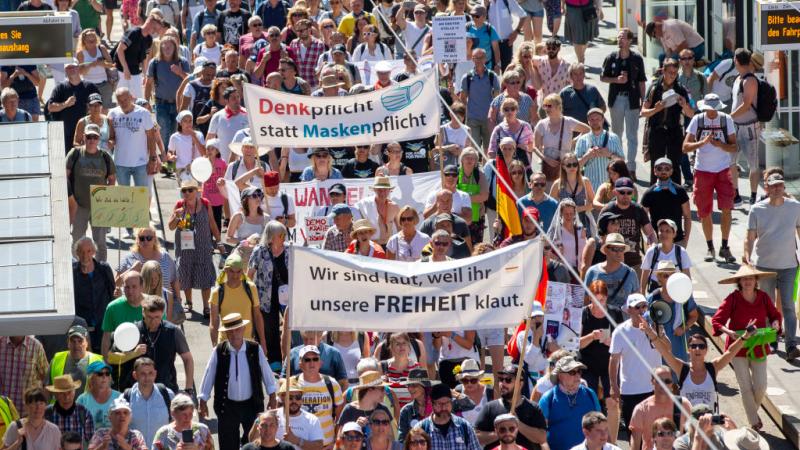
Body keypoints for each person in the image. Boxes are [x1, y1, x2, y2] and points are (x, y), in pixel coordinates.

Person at [711, 265, 782, 429]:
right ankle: (754, 421)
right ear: (739, 282)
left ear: (756, 280)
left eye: (750, 278)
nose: (747, 281)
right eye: (744, 279)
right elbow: (717, 321)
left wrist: (776, 323)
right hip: (738, 346)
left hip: (758, 345)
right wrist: (729, 332)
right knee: (745, 386)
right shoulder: (733, 298)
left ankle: (751, 412)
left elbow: (774, 315)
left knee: (761, 386)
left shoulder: (763, 297)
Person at [198, 312, 277, 448]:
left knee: (254, 444)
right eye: (230, 331)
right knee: (228, 444)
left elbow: (267, 373)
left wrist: (272, 395)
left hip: (252, 405)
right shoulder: (219, 350)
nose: (234, 334)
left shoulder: (255, 349)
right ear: (226, 333)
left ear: (243, 329)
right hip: (227, 406)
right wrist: (203, 400)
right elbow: (208, 374)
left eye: (237, 330)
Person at [744, 172, 800, 358]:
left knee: (788, 306)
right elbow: (750, 237)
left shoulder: (795, 207)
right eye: (773, 185)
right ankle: (771, 340)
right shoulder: (757, 209)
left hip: (789, 265)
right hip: (764, 266)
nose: (777, 188)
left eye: (780, 185)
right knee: (767, 307)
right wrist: (746, 256)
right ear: (766, 188)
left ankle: (791, 345)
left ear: (784, 187)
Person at [682, 92, 738, 263]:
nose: (712, 112)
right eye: (709, 109)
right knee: (704, 211)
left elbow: (734, 146)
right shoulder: (697, 120)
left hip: (722, 169)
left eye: (714, 109)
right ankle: (710, 247)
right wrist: (702, 143)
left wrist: (720, 145)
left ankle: (725, 246)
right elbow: (685, 147)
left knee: (727, 208)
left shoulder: (726, 119)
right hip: (702, 170)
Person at [608, 294, 662, 434]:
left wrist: (653, 333)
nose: (642, 310)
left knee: (654, 433)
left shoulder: (656, 327)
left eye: (644, 306)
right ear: (629, 310)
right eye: (638, 307)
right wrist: (614, 386)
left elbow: (667, 349)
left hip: (654, 389)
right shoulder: (620, 332)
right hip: (630, 391)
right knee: (635, 432)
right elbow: (614, 361)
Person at [169, 179, 222, 318]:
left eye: (190, 190)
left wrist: (219, 242)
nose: (186, 193)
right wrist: (176, 217)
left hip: (203, 245)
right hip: (185, 248)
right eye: (184, 191)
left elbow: (212, 223)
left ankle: (206, 306)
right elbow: (171, 226)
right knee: (185, 274)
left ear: (197, 191)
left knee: (205, 275)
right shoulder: (179, 205)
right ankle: (189, 302)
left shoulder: (205, 203)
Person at [578, 280, 622, 441]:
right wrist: (591, 336)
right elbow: (576, 344)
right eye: (595, 300)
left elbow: (624, 341)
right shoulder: (583, 313)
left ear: (606, 298)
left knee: (612, 403)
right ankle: (590, 440)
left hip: (609, 364)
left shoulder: (615, 313)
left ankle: (612, 441)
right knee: (588, 403)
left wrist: (612, 342)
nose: (598, 304)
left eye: (602, 300)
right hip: (587, 364)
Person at [640, 58, 696, 184]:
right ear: (663, 71)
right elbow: (643, 112)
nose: (672, 75)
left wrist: (684, 105)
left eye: (675, 72)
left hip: (674, 131)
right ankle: (654, 196)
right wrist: (656, 109)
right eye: (670, 72)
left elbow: (691, 114)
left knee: (675, 165)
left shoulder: (682, 89)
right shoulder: (654, 88)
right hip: (657, 131)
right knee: (656, 165)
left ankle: (676, 197)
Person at [600, 28, 646, 175]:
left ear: (630, 40)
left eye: (623, 38)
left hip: (632, 99)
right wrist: (616, 80)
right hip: (617, 98)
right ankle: (618, 165)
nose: (620, 40)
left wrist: (643, 101)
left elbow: (641, 81)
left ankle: (631, 167)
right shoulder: (611, 57)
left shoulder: (637, 59)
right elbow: (603, 77)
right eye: (619, 37)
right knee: (616, 133)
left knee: (632, 134)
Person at [67, 124, 116, 262]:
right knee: (77, 239)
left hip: (99, 207)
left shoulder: (105, 156)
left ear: (99, 139)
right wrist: (71, 200)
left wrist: (107, 200)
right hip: (79, 205)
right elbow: (64, 177)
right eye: (89, 136)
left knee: (100, 241)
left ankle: (102, 267)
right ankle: (76, 266)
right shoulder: (75, 153)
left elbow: (112, 179)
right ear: (84, 137)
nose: (92, 140)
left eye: (95, 137)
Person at [474, 364, 547, 450]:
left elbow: (542, 438)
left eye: (508, 380)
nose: (503, 383)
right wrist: (502, 432)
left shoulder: (533, 408)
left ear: (520, 384)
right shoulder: (490, 407)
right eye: (501, 379)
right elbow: (476, 437)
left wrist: (518, 425)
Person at [248, 220, 290, 365]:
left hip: (286, 297)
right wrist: (251, 295)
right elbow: (250, 274)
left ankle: (288, 358)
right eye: (281, 234)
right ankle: (275, 359)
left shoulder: (289, 250)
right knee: (270, 328)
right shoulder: (260, 251)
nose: (284, 237)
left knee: (289, 326)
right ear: (272, 236)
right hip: (266, 296)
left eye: (284, 234)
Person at [538, 356, 601, 450]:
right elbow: (540, 433)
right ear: (560, 376)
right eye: (572, 372)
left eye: (579, 371)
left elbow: (601, 425)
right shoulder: (548, 398)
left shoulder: (590, 394)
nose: (577, 375)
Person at [289, 344, 345, 449]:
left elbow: (340, 419)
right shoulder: (291, 384)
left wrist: (335, 443)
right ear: (300, 364)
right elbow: (280, 412)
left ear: (320, 363)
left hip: (326, 446)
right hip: (297, 445)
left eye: (315, 359)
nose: (312, 363)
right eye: (307, 360)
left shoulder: (332, 384)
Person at [134, 297, 193, 393]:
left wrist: (189, 389)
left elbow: (188, 359)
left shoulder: (173, 331)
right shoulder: (134, 330)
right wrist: (133, 353)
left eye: (157, 317)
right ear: (143, 313)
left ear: (163, 314)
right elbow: (116, 356)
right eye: (149, 317)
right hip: (139, 391)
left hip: (167, 389)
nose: (153, 321)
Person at [209, 253, 266, 351]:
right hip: (225, 344)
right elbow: (213, 323)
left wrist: (263, 343)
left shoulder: (251, 288)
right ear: (226, 270)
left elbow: (257, 316)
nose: (235, 275)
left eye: (238, 272)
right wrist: (215, 347)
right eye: (231, 271)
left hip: (248, 344)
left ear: (243, 271)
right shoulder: (217, 292)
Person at [108, 87, 158, 197]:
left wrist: (153, 158)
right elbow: (112, 137)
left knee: (141, 196)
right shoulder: (112, 114)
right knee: (124, 197)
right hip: (120, 163)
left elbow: (151, 137)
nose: (123, 103)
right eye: (120, 100)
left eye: (125, 99)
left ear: (131, 97)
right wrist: (110, 142)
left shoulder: (144, 113)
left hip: (140, 162)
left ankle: (143, 214)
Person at [600, 177, 656, 273]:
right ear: (615, 192)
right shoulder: (607, 210)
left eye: (629, 192)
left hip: (634, 263)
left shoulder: (638, 209)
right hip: (612, 263)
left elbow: (650, 233)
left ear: (633, 193)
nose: (625, 195)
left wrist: (653, 246)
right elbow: (601, 236)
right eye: (622, 192)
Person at [628, 366, 691, 450]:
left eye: (667, 381)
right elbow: (635, 443)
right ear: (652, 381)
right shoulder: (641, 409)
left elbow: (693, 434)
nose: (663, 384)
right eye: (659, 381)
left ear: (672, 383)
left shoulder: (683, 404)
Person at [72, 239, 116, 351]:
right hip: (82, 326)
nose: (85, 255)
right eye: (81, 251)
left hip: (103, 325)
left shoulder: (104, 269)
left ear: (94, 252)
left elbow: (112, 294)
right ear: (76, 253)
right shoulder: (72, 272)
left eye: (88, 251)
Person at [533, 94, 589, 181]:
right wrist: (546, 159)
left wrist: (574, 141)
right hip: (549, 167)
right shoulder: (541, 124)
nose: (546, 109)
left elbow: (587, 130)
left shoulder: (568, 122)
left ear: (558, 106)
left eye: (549, 106)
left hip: (567, 165)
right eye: (545, 106)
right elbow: (535, 147)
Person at [47, 62, 100, 153]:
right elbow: (50, 107)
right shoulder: (60, 88)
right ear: (65, 71)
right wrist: (65, 104)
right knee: (70, 162)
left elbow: (100, 107)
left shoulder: (91, 87)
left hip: (88, 132)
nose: (71, 69)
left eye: (73, 67)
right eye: (68, 68)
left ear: (78, 68)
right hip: (67, 133)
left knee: (89, 160)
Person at [640, 157, 692, 248]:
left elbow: (687, 216)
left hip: (678, 240)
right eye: (660, 168)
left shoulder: (680, 191)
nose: (663, 171)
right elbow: (642, 219)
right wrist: (651, 237)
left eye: (667, 169)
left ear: (671, 171)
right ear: (654, 171)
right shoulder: (649, 193)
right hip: (657, 242)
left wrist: (686, 239)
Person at [124, 358, 173, 448]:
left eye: (150, 373)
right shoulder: (126, 398)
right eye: (143, 374)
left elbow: (176, 424)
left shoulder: (167, 395)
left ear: (155, 374)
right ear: (135, 375)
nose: (147, 378)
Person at [416, 383, 480, 450]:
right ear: (432, 404)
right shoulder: (421, 429)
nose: (444, 408)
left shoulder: (465, 427)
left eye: (447, 403)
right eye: (439, 404)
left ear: (451, 403)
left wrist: (457, 395)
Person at [583, 234, 639, 309]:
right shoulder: (592, 272)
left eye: (621, 249)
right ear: (606, 250)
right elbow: (585, 302)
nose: (619, 252)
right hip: (598, 319)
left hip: (624, 320)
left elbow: (637, 302)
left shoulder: (631, 273)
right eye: (615, 249)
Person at [114, 14, 164, 99]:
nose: (155, 32)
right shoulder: (133, 33)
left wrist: (145, 75)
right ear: (149, 23)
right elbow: (119, 50)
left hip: (136, 72)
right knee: (121, 99)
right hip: (122, 71)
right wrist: (125, 69)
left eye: (157, 30)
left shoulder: (149, 39)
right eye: (155, 28)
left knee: (138, 99)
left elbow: (144, 58)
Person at [574, 109, 624, 191]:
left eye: (598, 119)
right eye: (592, 119)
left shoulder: (614, 138)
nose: (595, 122)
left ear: (603, 120)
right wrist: (586, 156)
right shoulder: (582, 140)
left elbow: (622, 162)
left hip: (610, 187)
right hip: (590, 188)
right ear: (588, 121)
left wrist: (610, 155)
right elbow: (575, 167)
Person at [640, 219, 692, 293]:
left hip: (675, 288)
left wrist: (689, 296)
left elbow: (687, 275)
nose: (664, 234)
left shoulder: (681, 252)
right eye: (661, 231)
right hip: (655, 289)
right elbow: (645, 273)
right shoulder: (652, 251)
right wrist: (642, 293)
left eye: (668, 231)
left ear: (674, 234)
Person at [48, 325, 103, 395]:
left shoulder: (98, 362)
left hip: (87, 406)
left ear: (87, 343)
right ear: (68, 343)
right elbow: (47, 388)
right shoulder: (57, 359)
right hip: (61, 405)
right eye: (73, 341)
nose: (76, 345)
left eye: (80, 341)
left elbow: (106, 389)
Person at [271, 379, 324, 449]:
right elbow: (254, 440)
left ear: (301, 399)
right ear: (282, 398)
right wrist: (259, 420)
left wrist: (297, 440)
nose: (294, 401)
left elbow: (319, 446)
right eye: (290, 398)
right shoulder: (272, 417)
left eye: (298, 397)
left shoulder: (312, 420)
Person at [44, 375, 94, 444]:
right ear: (55, 394)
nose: (67, 397)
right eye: (62, 393)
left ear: (74, 392)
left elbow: (90, 441)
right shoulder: (46, 413)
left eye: (69, 392)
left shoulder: (84, 413)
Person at [207, 87, 249, 161]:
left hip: (245, 162)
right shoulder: (217, 116)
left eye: (238, 97)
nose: (237, 100)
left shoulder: (248, 114)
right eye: (233, 98)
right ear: (226, 100)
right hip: (223, 163)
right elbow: (209, 139)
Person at [77, 361, 122, 429]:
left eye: (107, 373)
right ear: (91, 378)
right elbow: (77, 425)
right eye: (100, 374)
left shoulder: (119, 397)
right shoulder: (82, 400)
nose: (104, 376)